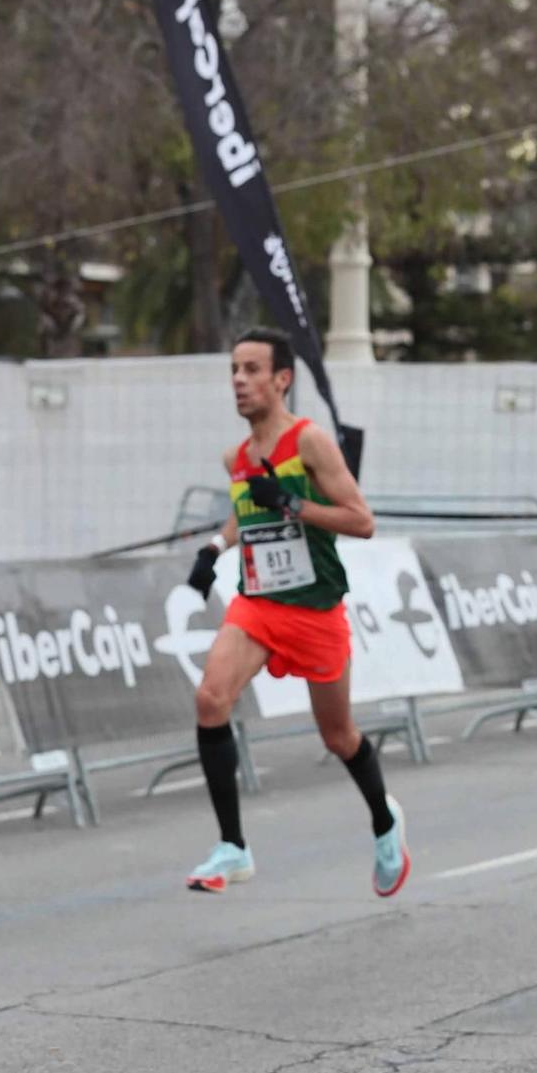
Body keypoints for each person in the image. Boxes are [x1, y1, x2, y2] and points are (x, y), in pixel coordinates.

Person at [181, 328, 407, 897]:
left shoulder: (311, 443)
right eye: (234, 369)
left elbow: (361, 520)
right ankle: (233, 847)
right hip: (258, 604)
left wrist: (296, 505)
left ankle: (385, 823)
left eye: (252, 369)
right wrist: (215, 549)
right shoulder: (235, 456)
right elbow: (246, 513)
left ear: (282, 379)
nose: (239, 380)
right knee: (211, 699)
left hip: (315, 609)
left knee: (338, 736)